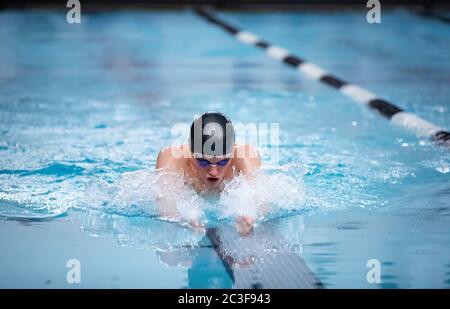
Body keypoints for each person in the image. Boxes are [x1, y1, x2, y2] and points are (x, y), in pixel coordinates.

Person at [156, 111, 261, 234]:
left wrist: (249, 216)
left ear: (232, 152)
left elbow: (259, 196)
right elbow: (165, 201)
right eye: (203, 162)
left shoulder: (245, 156)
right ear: (190, 152)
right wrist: (183, 218)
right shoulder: (173, 157)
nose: (213, 172)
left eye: (222, 162)